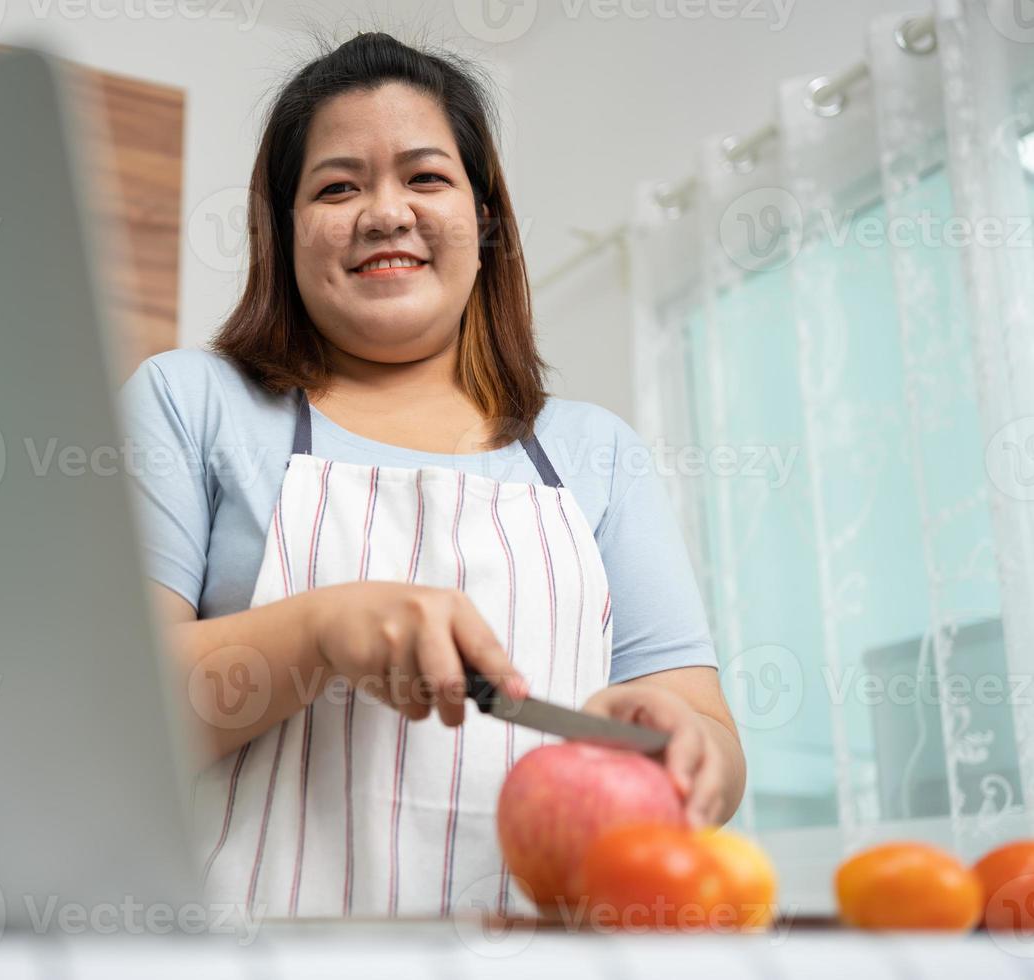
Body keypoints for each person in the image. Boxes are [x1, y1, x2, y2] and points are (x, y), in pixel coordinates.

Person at [120, 31, 744, 919]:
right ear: (284, 231)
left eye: (425, 177)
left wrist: (692, 756)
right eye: (337, 186)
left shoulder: (597, 453)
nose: (385, 213)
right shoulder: (192, 402)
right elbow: (117, 719)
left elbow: (708, 738)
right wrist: (324, 629)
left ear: (484, 221)